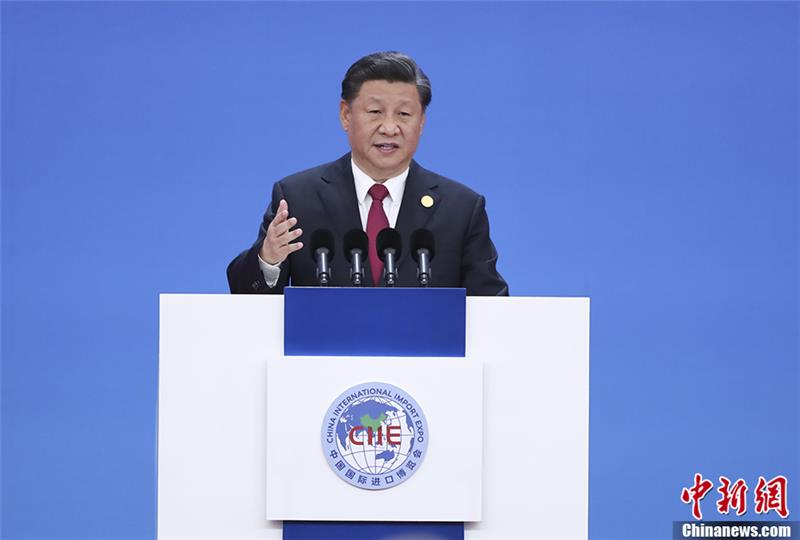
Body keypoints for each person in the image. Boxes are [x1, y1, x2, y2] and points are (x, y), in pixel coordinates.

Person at [227, 51, 508, 296]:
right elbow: (245, 299)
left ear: (421, 122)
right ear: (346, 115)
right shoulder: (298, 198)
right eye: (375, 112)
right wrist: (269, 260)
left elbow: (493, 307)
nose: (389, 128)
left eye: (404, 114)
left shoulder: (460, 209)